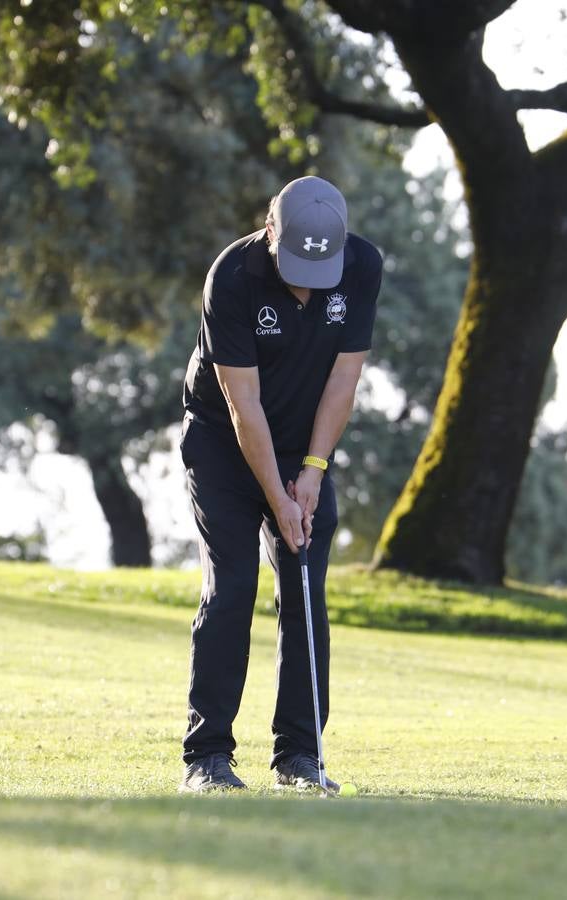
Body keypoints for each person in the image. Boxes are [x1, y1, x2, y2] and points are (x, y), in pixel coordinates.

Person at [177, 176, 381, 793]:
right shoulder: (232, 277)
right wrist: (277, 496)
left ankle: (300, 755)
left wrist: (314, 472)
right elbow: (243, 407)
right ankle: (206, 757)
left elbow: (343, 382)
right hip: (223, 442)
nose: (304, 286)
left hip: (302, 443)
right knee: (234, 583)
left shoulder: (363, 265)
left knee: (304, 585)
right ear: (271, 230)